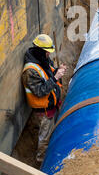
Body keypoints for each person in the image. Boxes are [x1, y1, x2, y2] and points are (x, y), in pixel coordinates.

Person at [21, 34, 67, 163]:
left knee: (52, 134)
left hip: (52, 105)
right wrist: (56, 77)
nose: (49, 55)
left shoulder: (43, 61)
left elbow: (48, 75)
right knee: (45, 139)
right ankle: (42, 162)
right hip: (44, 111)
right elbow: (40, 91)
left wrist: (58, 71)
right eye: (47, 52)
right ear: (39, 51)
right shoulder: (30, 70)